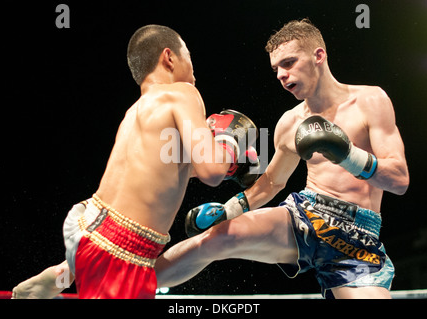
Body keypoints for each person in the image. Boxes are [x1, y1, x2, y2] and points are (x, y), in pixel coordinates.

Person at [154, 19, 409, 299]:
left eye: (288, 63)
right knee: (217, 239)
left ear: (319, 56)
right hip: (307, 214)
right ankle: (123, 285)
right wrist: (230, 211)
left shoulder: (370, 100)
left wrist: (348, 155)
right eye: (276, 69)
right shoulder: (289, 123)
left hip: (359, 239)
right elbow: (273, 182)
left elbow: (399, 180)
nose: (280, 75)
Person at [12, 24, 259, 299]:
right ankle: (64, 273)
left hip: (88, 221)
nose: (194, 69)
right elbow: (210, 172)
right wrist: (231, 141)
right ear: (169, 57)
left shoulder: (134, 113)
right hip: (117, 248)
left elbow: (168, 173)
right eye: (189, 56)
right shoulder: (183, 92)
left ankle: (60, 275)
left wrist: (230, 165)